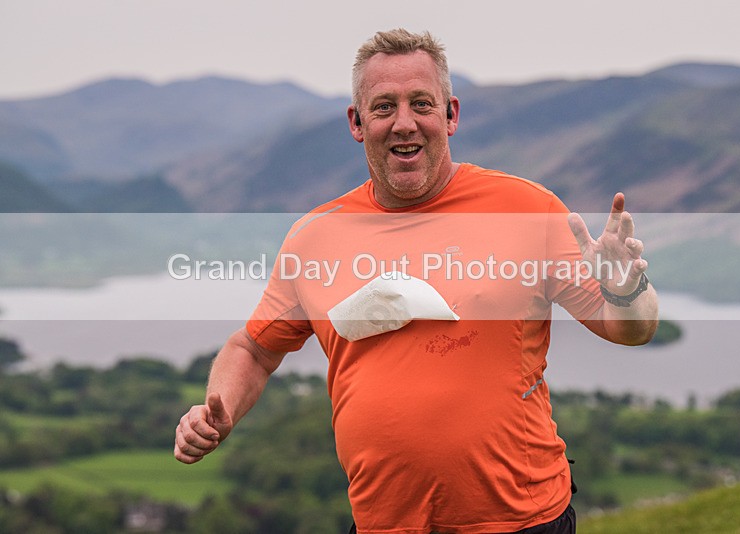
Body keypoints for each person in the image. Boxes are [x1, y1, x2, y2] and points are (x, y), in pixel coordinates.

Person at [174, 29, 658, 533]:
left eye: (421, 104)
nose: (404, 123)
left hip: (522, 521)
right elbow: (254, 348)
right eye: (384, 106)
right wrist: (218, 410)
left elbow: (631, 328)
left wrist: (625, 287)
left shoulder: (527, 210)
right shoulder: (313, 239)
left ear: (450, 114)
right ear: (356, 122)